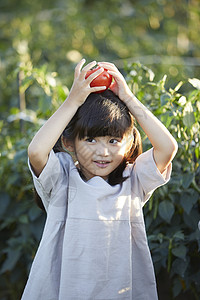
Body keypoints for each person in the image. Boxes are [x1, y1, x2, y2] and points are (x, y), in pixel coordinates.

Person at [21, 59, 178, 300]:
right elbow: (36, 151)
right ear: (68, 143)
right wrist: (73, 100)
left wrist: (128, 98)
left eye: (113, 141)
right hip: (64, 291)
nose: (102, 152)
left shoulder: (133, 180)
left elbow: (167, 147)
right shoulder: (62, 179)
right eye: (90, 140)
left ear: (128, 144)